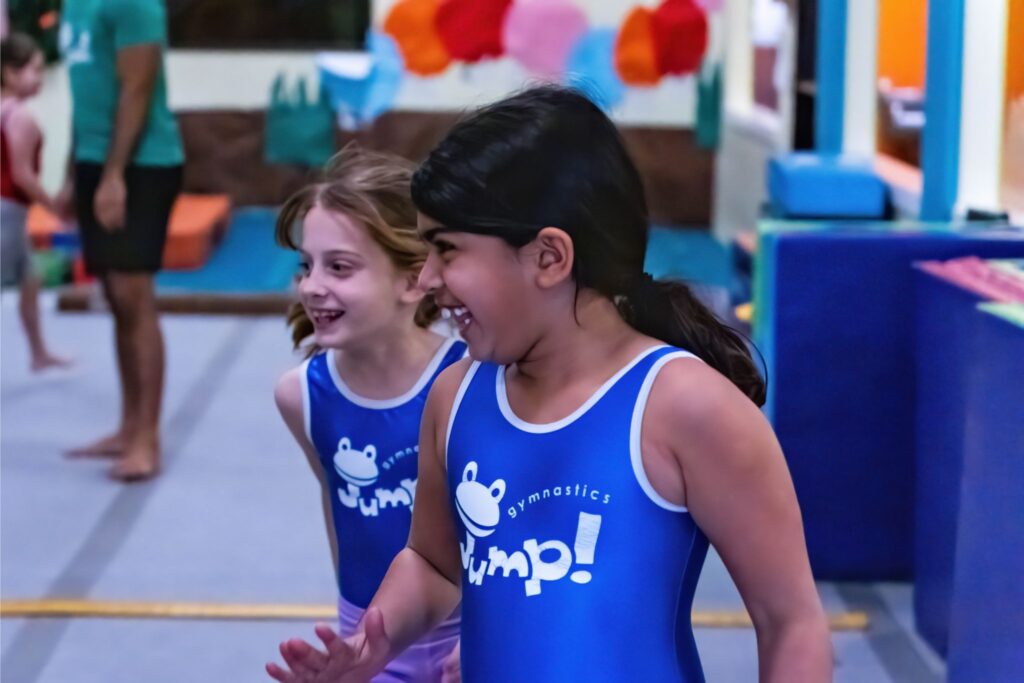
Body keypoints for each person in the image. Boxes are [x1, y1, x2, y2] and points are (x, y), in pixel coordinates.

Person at [267, 86, 831, 682]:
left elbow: (790, 621)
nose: (428, 277)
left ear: (548, 257)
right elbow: (434, 565)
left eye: (447, 250)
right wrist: (375, 641)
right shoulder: (455, 398)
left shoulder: (682, 407)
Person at [272, 147, 463, 683]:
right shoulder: (301, 397)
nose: (312, 285)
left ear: (412, 280)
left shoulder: (469, 381)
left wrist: (498, 629)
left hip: (471, 631)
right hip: (370, 642)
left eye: (340, 267)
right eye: (306, 265)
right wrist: (355, 638)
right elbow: (341, 515)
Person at [59, 0, 183, 481]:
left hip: (142, 163)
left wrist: (114, 175)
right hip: (95, 158)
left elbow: (137, 87)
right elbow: (86, 94)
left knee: (134, 296)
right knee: (115, 298)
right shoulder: (74, 4)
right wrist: (76, 171)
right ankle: (127, 426)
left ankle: (147, 438)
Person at [0, 32, 72, 372]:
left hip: (9, 212)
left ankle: (38, 353)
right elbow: (22, 176)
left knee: (31, 280)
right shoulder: (21, 117)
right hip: (6, 212)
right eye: (35, 70)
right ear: (10, 74)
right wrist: (53, 205)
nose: (41, 78)